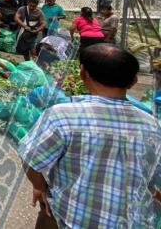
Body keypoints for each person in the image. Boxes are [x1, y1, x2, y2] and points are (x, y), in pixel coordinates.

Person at [18, 44, 161, 228]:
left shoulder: (62, 115)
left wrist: (39, 186)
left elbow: (31, 159)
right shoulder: (151, 125)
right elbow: (155, 180)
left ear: (82, 73)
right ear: (133, 81)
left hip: (69, 218)